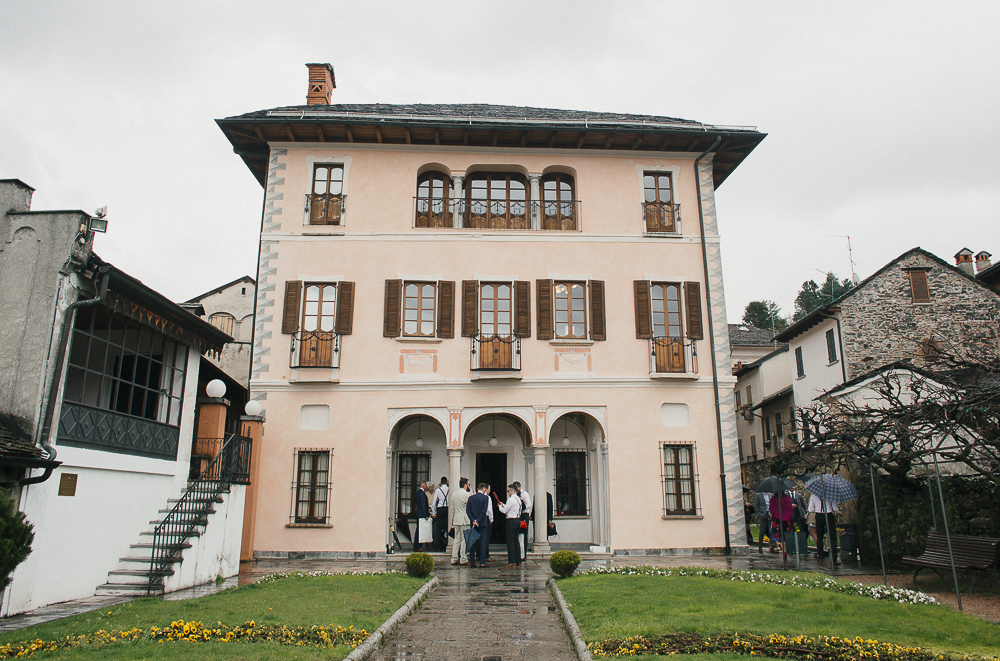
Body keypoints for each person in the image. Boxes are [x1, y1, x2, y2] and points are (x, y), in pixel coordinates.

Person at [809, 491, 840, 565]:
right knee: (832, 537)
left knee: (819, 536)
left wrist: (817, 508)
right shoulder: (830, 495)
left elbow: (810, 509)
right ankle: (834, 559)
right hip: (828, 514)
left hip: (819, 515)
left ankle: (820, 557)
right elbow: (835, 508)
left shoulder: (814, 495)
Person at [496, 484, 523, 567]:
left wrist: (499, 507)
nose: (508, 492)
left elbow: (505, 510)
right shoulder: (518, 499)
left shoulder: (511, 499)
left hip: (511, 521)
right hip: (517, 520)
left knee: (510, 541)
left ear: (511, 490)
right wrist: (503, 504)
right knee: (516, 540)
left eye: (508, 491)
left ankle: (512, 561)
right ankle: (518, 560)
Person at [466, 483, 490, 567]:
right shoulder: (485, 498)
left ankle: (472, 561)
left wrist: (473, 520)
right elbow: (484, 510)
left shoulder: (471, 498)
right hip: (482, 523)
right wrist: (478, 520)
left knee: (472, 542)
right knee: (482, 542)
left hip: (473, 523)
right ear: (484, 490)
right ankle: (482, 562)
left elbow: (468, 510)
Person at [449, 478, 471, 565]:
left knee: (457, 539)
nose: (469, 486)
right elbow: (469, 507)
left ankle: (454, 558)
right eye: (468, 484)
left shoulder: (454, 494)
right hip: (464, 519)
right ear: (465, 485)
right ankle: (463, 558)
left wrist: (453, 520)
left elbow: (453, 509)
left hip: (456, 519)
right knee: (464, 539)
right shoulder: (466, 494)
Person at [768, 490, 794, 556]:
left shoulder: (773, 499)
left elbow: (771, 509)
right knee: (785, 535)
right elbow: (790, 508)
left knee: (780, 535)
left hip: (778, 519)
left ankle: (784, 551)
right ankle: (785, 550)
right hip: (787, 519)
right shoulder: (787, 498)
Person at [513, 481, 531, 561]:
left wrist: (522, 507)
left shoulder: (524, 494)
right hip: (518, 515)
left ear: (519, 487)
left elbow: (529, 505)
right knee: (519, 535)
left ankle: (524, 553)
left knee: (524, 534)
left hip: (524, 515)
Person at [431, 477, 449, 552]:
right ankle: (446, 544)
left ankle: (438, 546)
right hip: (447, 508)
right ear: (447, 482)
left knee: (438, 528)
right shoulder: (449, 489)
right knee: (446, 528)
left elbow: (434, 502)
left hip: (440, 509)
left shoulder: (438, 490)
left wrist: (434, 512)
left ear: (441, 482)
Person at [413, 480, 430, 552]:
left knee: (418, 531)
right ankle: (418, 546)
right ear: (423, 486)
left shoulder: (418, 493)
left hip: (419, 514)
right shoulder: (422, 494)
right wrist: (426, 515)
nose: (426, 487)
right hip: (421, 515)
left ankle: (417, 545)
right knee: (420, 531)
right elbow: (423, 505)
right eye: (426, 486)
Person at [484, 483, 494, 562]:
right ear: (485, 489)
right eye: (489, 489)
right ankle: (486, 555)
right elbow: (489, 510)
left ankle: (479, 554)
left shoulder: (476, 496)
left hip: (479, 519)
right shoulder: (487, 498)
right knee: (486, 538)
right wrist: (491, 519)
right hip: (486, 518)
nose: (490, 491)